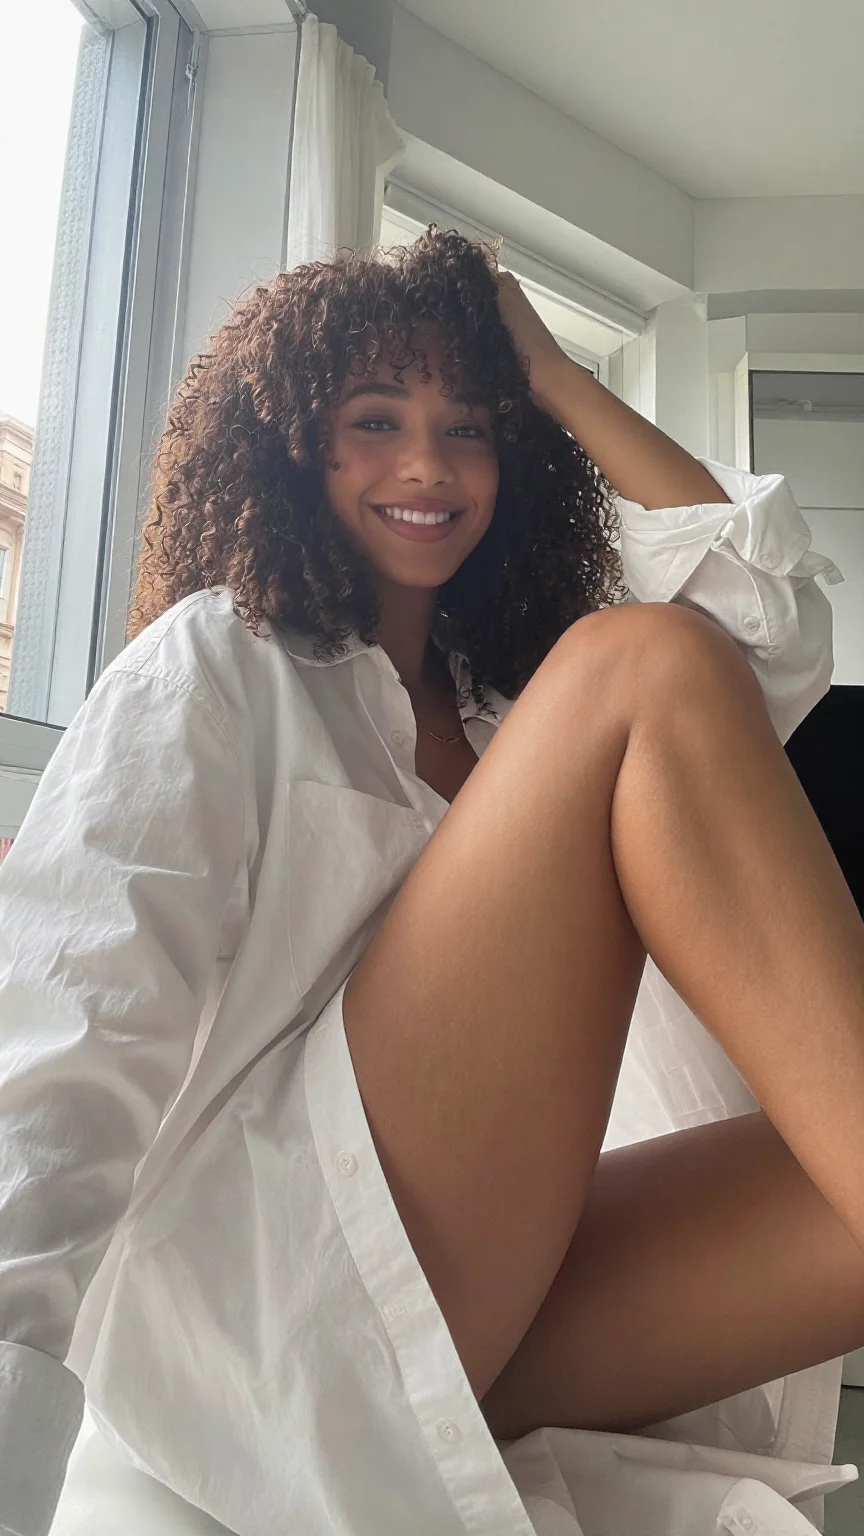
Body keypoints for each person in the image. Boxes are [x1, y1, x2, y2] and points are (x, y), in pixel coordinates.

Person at [1, 229, 863, 1536]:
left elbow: (771, 618)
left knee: (841, 1208)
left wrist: (553, 375)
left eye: (469, 425)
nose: (427, 466)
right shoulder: (222, 666)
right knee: (646, 667)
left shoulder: (517, 713)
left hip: (483, 1302)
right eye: (375, 420)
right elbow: (70, 1027)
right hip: (277, 1290)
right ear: (293, 440)